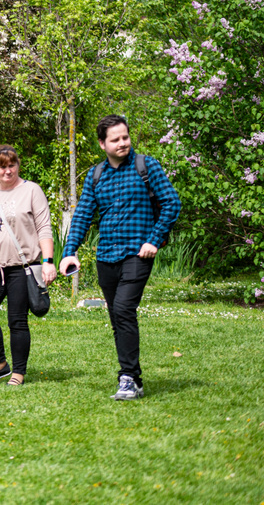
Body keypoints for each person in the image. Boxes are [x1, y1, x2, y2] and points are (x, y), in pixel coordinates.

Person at [60, 115, 181, 400]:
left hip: (137, 253)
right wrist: (69, 252)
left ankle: (127, 377)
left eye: (125, 137)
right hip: (106, 257)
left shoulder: (146, 166)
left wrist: (154, 238)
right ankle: (133, 379)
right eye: (115, 139)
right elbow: (82, 216)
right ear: (103, 144)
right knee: (117, 317)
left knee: (124, 308)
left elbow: (171, 203)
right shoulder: (96, 175)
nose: (123, 143)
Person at [0, 145, 56, 386]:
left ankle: (19, 372)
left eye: (12, 165)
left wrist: (48, 262)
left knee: (17, 321)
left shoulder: (31, 191)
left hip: (22, 269)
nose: (8, 171)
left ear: (18, 165)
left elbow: (44, 229)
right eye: (2, 167)